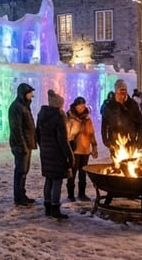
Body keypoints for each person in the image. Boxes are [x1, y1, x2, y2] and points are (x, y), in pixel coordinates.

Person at [37, 90, 73, 220]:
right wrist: (70, 156)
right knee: (57, 180)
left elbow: (38, 134)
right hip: (57, 153)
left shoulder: (41, 114)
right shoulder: (59, 117)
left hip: (46, 152)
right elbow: (63, 140)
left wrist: (44, 147)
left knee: (49, 179)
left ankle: (47, 206)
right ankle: (55, 208)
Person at [8, 82, 38, 206]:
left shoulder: (24, 106)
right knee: (20, 171)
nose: (32, 95)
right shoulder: (17, 107)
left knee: (24, 171)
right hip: (21, 145)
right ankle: (18, 197)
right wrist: (22, 145)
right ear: (24, 94)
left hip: (27, 143)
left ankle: (22, 194)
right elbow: (17, 129)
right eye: (30, 93)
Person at [64, 96, 98, 202]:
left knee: (83, 173)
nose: (82, 108)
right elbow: (67, 134)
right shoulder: (69, 117)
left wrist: (94, 146)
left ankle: (82, 194)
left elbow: (91, 133)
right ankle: (70, 194)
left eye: (84, 106)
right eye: (80, 106)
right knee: (72, 173)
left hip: (85, 150)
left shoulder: (87, 118)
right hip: (74, 150)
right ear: (76, 106)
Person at [101, 79, 142, 151]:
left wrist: (139, 139)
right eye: (120, 91)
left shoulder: (132, 104)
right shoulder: (110, 105)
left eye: (124, 91)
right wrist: (105, 140)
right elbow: (104, 124)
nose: (122, 94)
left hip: (130, 140)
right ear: (116, 92)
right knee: (117, 161)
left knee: (130, 161)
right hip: (114, 141)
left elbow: (139, 123)